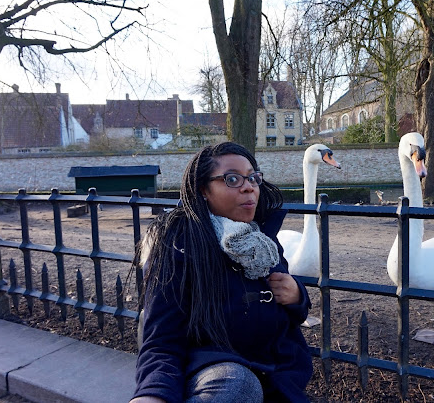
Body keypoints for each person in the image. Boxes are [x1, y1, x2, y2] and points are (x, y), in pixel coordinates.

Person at [130, 142, 313, 403]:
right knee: (239, 384)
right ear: (204, 189)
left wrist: (297, 296)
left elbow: (293, 314)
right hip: (212, 373)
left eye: (253, 178)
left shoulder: (263, 240)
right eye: (232, 179)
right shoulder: (178, 245)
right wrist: (152, 393)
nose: (249, 187)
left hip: (278, 377)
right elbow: (161, 339)